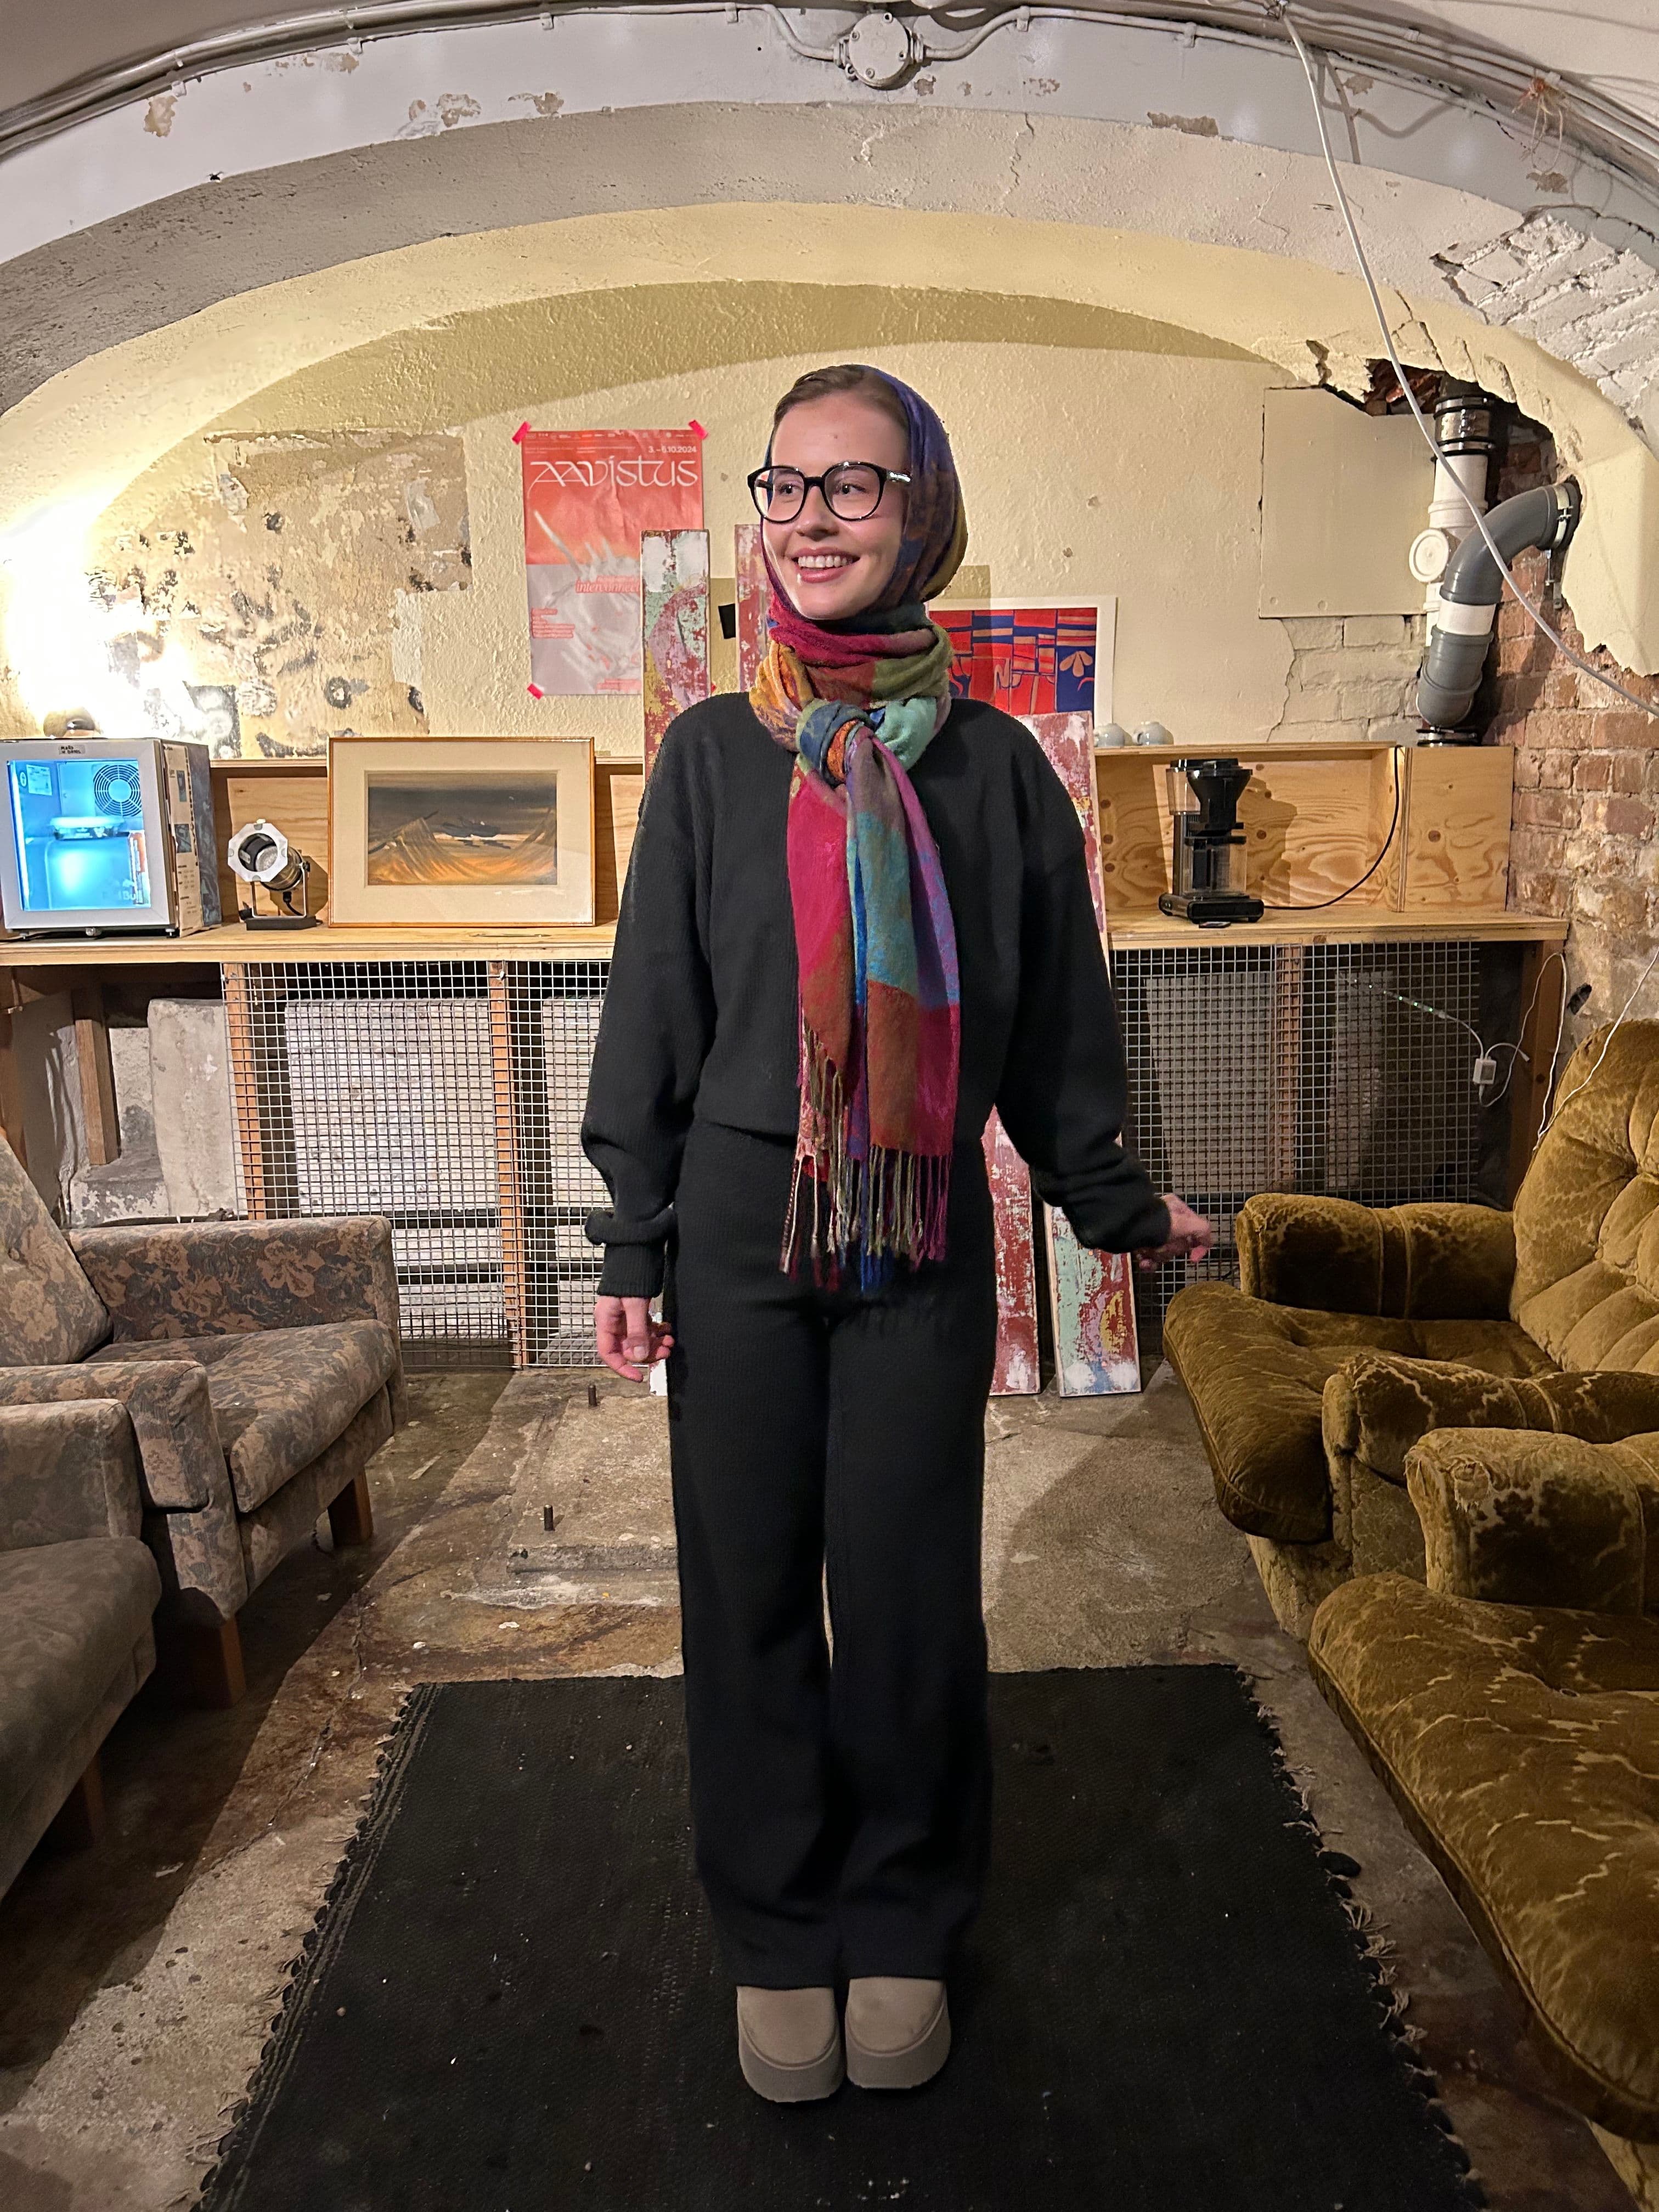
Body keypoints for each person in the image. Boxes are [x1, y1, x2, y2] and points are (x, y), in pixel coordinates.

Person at [582, 364, 1210, 2105]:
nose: (811, 518)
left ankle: (903, 1914)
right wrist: (630, 1240)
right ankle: (779, 1928)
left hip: (921, 1222)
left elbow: (1057, 1023)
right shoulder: (711, 756)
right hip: (737, 1226)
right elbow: (654, 1006)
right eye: (785, 486)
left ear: (921, 512)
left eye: (853, 485)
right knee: (748, 1588)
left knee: (911, 1590)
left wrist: (1110, 1198)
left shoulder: (999, 770)